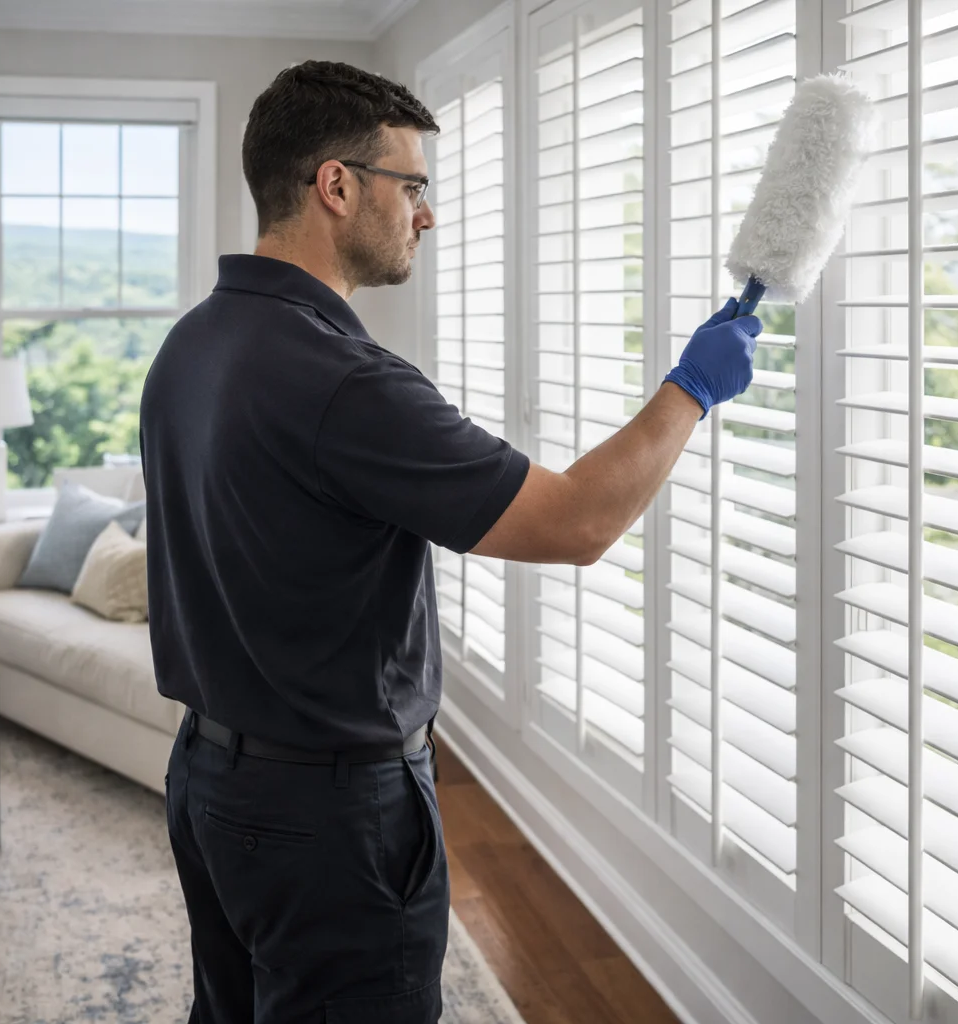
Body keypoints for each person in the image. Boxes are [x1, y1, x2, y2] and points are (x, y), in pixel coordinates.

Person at [138, 60, 760, 1024]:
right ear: (336, 187)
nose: (426, 214)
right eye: (413, 185)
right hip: (327, 818)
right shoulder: (347, 384)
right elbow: (575, 522)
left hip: (209, 780)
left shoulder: (192, 344)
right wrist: (692, 388)